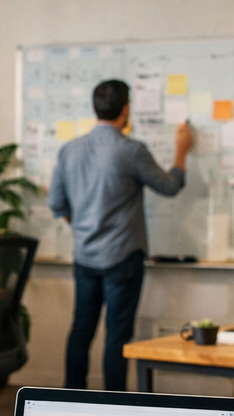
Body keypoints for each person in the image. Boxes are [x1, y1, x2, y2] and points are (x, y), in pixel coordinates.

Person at [48, 79, 192, 392]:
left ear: (94, 109)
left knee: (81, 330)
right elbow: (169, 186)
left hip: (85, 255)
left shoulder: (69, 150)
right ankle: (113, 404)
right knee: (118, 335)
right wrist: (181, 152)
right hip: (122, 258)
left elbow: (57, 204)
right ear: (126, 110)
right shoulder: (130, 150)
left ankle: (70, 399)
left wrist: (85, 229)